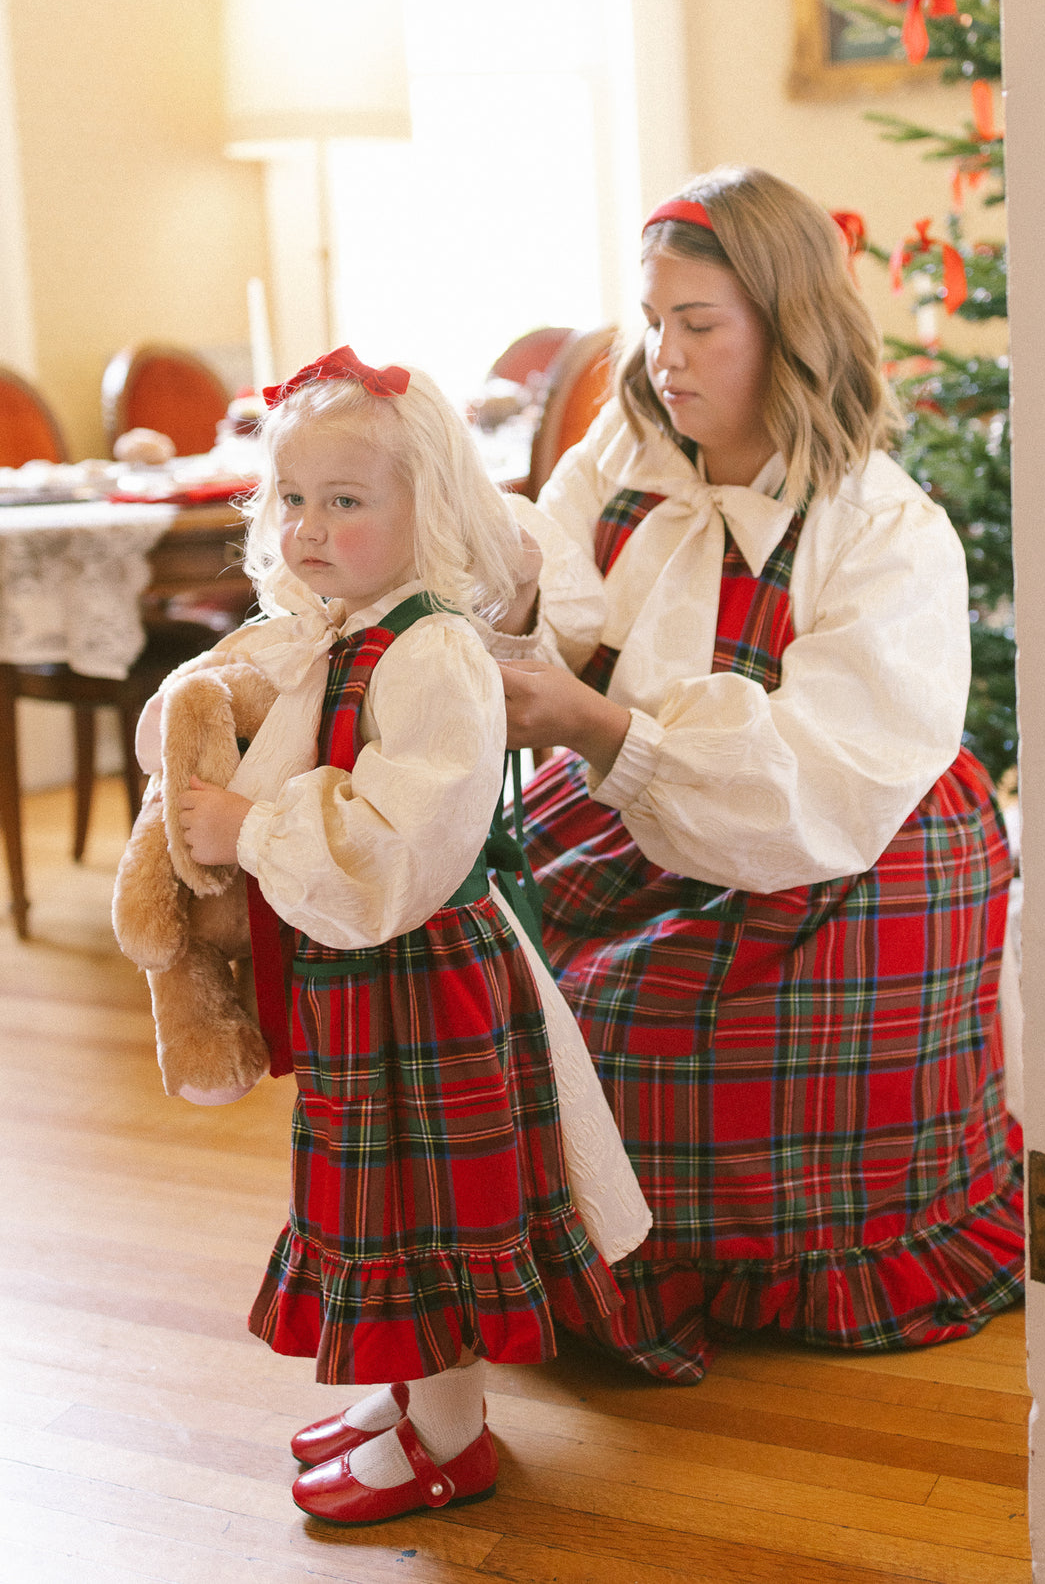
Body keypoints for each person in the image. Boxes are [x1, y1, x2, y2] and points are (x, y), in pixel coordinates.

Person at [494, 166, 1024, 1386]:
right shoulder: (633, 453)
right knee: (505, 974)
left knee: (625, 1024)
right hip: (648, 791)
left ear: (784, 326)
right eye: (652, 320)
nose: (664, 357)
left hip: (846, 842)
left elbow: (822, 781)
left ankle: (728, 1260)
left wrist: (594, 723)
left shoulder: (880, 530)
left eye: (700, 325)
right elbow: (544, 572)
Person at [142, 345, 649, 1523]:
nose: (311, 527)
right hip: (361, 980)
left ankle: (452, 1437)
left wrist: (252, 827)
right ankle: (413, 1399)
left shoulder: (434, 654)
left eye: (347, 501)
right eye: (296, 500)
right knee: (379, 1197)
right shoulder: (344, 627)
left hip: (422, 976)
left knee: (435, 1209)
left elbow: (397, 843)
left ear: (427, 511)